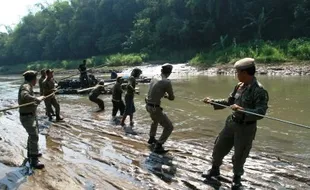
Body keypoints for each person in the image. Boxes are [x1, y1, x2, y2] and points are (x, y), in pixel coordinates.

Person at [201, 58, 269, 189]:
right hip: (232, 123)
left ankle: (236, 178)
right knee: (219, 147)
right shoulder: (239, 86)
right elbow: (229, 102)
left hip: (246, 128)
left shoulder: (259, 90)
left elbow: (261, 112)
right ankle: (215, 169)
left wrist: (244, 110)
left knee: (239, 155)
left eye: (237, 72)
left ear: (245, 72)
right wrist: (212, 101)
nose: (236, 74)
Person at [18, 70, 45, 169]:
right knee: (34, 136)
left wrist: (37, 99)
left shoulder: (29, 85)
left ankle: (31, 153)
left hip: (30, 115)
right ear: (33, 79)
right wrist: (36, 99)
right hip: (27, 116)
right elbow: (24, 96)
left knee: (33, 135)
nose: (37, 80)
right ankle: (34, 160)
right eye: (36, 78)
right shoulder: (26, 86)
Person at [145, 64, 174, 153]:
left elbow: (154, 91)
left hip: (148, 105)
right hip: (155, 107)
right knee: (169, 127)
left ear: (161, 71)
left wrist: (162, 93)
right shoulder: (167, 82)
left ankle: (151, 138)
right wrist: (166, 96)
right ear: (169, 72)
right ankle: (159, 145)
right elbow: (172, 98)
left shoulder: (154, 77)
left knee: (155, 121)